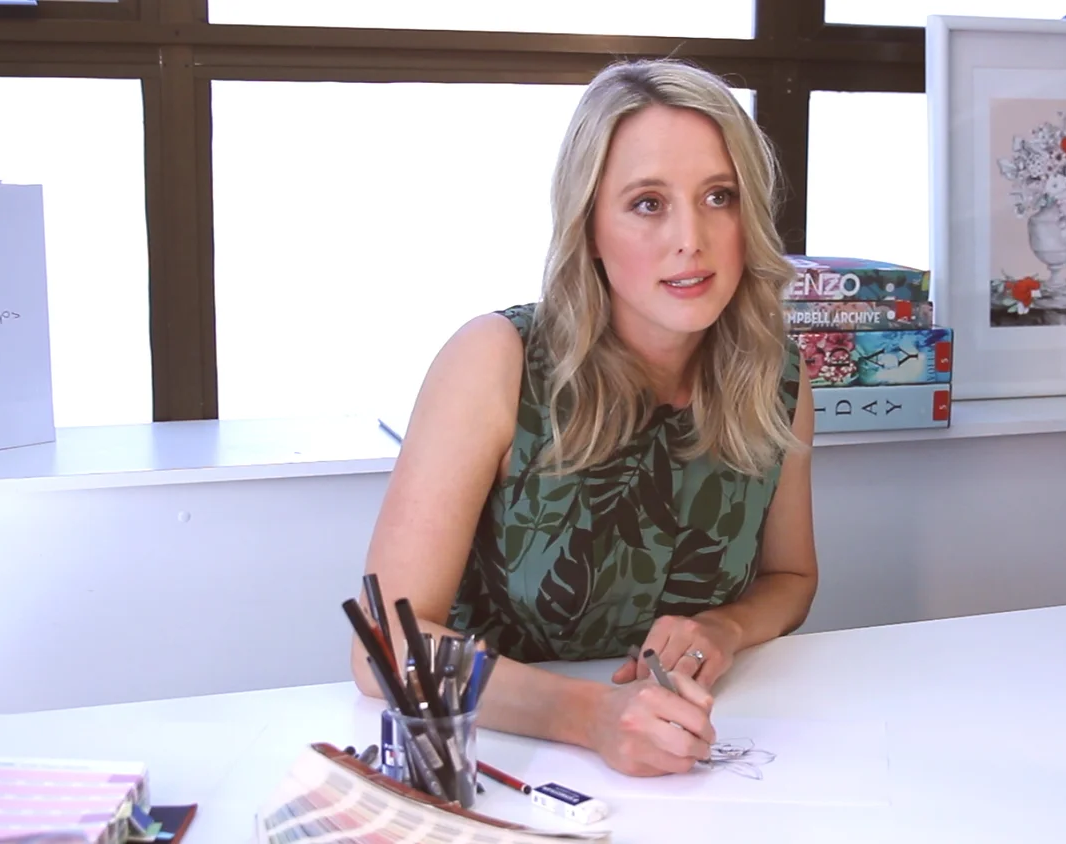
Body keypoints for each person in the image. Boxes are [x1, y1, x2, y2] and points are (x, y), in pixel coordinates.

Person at [351, 57, 819, 778]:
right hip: (498, 757)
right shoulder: (496, 359)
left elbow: (791, 577)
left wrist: (723, 628)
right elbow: (384, 644)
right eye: (648, 203)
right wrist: (588, 716)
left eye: (718, 196)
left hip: (697, 754)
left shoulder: (775, 373)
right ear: (590, 225)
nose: (691, 237)